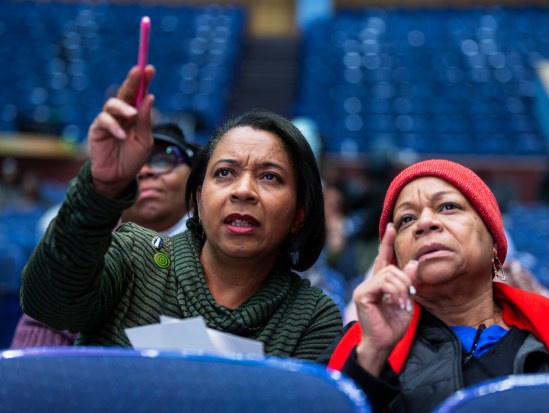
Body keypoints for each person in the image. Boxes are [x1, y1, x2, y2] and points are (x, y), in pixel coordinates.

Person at [18, 65, 343, 360]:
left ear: (300, 213)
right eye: (225, 173)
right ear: (199, 199)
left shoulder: (312, 317)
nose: (243, 190)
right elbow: (49, 304)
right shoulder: (135, 257)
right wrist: (101, 187)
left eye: (269, 176)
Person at [319, 159, 549, 413]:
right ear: (394, 254)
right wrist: (373, 354)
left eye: (448, 207)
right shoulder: (359, 346)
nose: (425, 223)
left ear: (494, 243)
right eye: (407, 219)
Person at [11, 122, 196, 348]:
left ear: (194, 178)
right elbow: (43, 326)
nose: (145, 171)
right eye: (133, 163)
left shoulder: (218, 251)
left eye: (164, 159)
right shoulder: (84, 250)